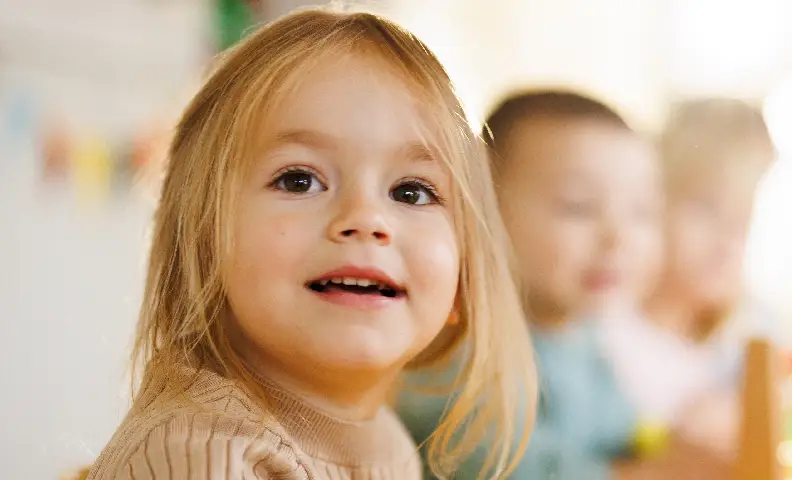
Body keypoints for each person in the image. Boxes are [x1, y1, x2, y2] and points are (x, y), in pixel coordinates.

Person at [85, 7, 536, 479]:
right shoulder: (207, 457)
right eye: (299, 180)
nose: (365, 219)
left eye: (411, 192)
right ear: (202, 242)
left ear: (464, 279)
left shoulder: (387, 443)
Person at [398, 90, 715, 479]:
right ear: (483, 211)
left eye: (641, 211)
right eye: (578, 206)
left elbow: (626, 436)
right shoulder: (459, 351)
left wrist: (679, 439)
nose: (618, 238)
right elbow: (512, 470)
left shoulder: (581, 337)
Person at [598, 98, 778, 460]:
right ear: (651, 203)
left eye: (744, 216)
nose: (729, 237)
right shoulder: (602, 330)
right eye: (707, 207)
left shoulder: (741, 339)